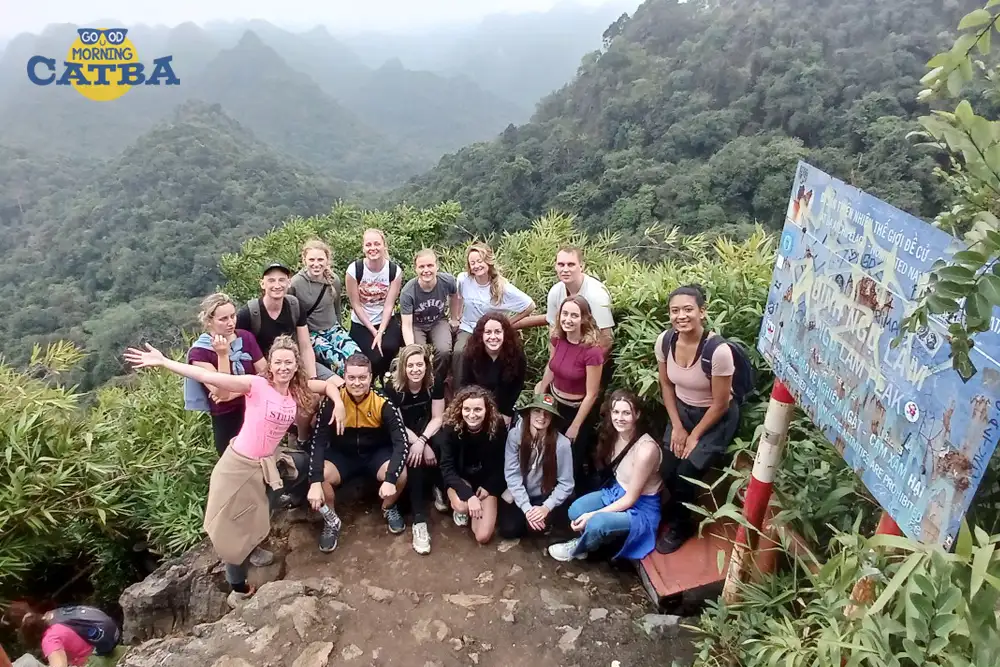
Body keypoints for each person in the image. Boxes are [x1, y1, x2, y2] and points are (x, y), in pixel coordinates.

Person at [124, 336, 345, 606]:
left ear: (296, 365)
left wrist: (339, 402)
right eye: (278, 362)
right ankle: (239, 589)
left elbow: (329, 385)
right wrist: (164, 362)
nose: (283, 367)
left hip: (268, 463)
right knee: (233, 530)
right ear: (270, 365)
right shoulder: (256, 384)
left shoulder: (297, 388)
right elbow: (208, 376)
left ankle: (283, 521)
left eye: (289, 362)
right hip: (239, 466)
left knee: (298, 471)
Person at [654, 284, 741, 554]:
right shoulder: (665, 341)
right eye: (675, 311)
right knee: (667, 467)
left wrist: (694, 436)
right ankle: (675, 508)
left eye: (688, 309)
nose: (681, 316)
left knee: (686, 474)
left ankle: (681, 525)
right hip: (682, 410)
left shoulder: (718, 351)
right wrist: (677, 427)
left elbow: (721, 403)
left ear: (702, 312)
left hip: (714, 417)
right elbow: (666, 385)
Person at [305, 353, 410, 553]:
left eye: (362, 377)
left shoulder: (383, 401)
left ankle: (388, 507)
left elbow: (401, 442)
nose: (357, 383)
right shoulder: (333, 401)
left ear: (371, 377)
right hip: (342, 455)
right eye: (351, 377)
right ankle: (331, 519)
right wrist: (315, 481)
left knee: (400, 473)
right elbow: (318, 442)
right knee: (322, 475)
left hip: (376, 453)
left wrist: (390, 479)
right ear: (344, 376)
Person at [547, 390, 663, 562]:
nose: (619, 418)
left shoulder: (646, 450)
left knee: (596, 523)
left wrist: (592, 515)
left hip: (640, 505)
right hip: (617, 491)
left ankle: (580, 547)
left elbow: (631, 499)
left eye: (626, 413)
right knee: (575, 511)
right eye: (616, 412)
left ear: (637, 415)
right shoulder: (615, 434)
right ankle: (601, 536)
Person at [534, 295, 606, 491]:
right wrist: (540, 398)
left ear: (584, 319)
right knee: (549, 451)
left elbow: (592, 394)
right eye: (565, 314)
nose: (568, 319)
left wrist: (575, 426)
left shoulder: (592, 352)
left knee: (570, 459)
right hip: (555, 404)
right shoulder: (557, 338)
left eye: (574, 315)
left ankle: (569, 497)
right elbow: (551, 368)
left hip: (577, 410)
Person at [184, 292, 266, 456]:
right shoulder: (199, 353)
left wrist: (236, 393)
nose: (231, 323)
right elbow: (222, 392)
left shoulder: (246, 337)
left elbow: (266, 374)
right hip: (227, 419)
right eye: (223, 319)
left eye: (233, 316)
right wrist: (222, 355)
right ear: (209, 321)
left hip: (255, 410)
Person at [383, 344, 447, 555]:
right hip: (404, 433)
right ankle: (420, 521)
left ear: (426, 365)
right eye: (410, 365)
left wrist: (423, 441)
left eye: (420, 364)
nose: (415, 369)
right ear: (403, 367)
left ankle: (440, 487)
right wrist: (418, 444)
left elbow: (438, 417)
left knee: (442, 442)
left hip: (427, 429)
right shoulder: (393, 387)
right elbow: (397, 424)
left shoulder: (434, 382)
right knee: (413, 458)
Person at [451, 242, 535, 387]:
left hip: (492, 331)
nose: (476, 266)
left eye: (480, 261)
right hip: (468, 328)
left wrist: (507, 324)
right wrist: (456, 317)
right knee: (460, 352)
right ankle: (460, 392)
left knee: (501, 356)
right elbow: (457, 297)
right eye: (472, 263)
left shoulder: (502, 287)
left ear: (488, 261)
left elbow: (530, 305)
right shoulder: (464, 279)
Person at [435, 385, 509, 544]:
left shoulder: (497, 425)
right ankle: (462, 507)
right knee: (462, 506)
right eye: (467, 409)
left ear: (486, 410)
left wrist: (489, 486)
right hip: (460, 477)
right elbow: (447, 468)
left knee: (482, 536)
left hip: (485, 481)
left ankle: (475, 508)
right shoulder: (450, 427)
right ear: (460, 409)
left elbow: (502, 462)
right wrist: (469, 495)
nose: (472, 414)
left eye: (478, 409)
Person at [499, 393, 575, 539]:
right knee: (508, 530)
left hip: (544, 494)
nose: (542, 417)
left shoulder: (562, 444)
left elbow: (566, 483)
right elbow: (512, 474)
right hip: (519, 491)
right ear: (529, 413)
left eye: (547, 414)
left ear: (552, 418)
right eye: (537, 411)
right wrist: (527, 508)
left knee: (536, 529)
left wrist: (546, 507)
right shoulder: (515, 435)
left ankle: (546, 520)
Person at [287, 238, 362, 377]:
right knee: (341, 363)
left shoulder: (333, 280)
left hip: (333, 329)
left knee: (358, 359)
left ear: (327, 260)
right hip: (311, 333)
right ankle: (345, 387)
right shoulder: (295, 284)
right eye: (312, 260)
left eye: (320, 260)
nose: (316, 264)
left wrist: (340, 329)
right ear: (304, 260)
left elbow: (336, 308)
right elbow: (291, 316)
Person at [235, 262, 322, 380]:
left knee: (334, 384)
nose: (277, 285)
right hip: (261, 373)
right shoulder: (249, 313)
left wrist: (311, 377)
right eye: (271, 281)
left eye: (281, 280)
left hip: (292, 366)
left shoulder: (294, 306)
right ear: (262, 284)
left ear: (289, 283)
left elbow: (305, 345)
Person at [521, 245, 615, 353]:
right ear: (555, 267)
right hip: (568, 347)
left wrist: (588, 362)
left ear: (581, 266)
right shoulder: (555, 291)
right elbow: (554, 331)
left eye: (571, 265)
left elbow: (606, 340)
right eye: (561, 264)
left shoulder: (596, 294)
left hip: (592, 351)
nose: (565, 270)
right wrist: (554, 359)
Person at [344, 229, 404, 380]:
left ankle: (386, 380)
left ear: (384, 246)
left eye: (377, 244)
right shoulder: (354, 270)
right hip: (362, 322)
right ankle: (369, 383)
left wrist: (381, 331)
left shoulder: (394, 271)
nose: (373, 248)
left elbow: (389, 305)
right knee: (370, 358)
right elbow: (356, 305)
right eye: (368, 245)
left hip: (385, 320)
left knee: (390, 347)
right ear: (363, 248)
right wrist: (373, 331)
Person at [3, 602, 125, 667]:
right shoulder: (53, 615)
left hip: (96, 661)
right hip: (108, 649)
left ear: (19, 631)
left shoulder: (50, 640)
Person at [400, 248, 458, 383]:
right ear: (415, 269)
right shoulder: (408, 292)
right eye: (421, 267)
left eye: (430, 265)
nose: (426, 270)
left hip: (438, 321)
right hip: (416, 325)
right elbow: (406, 325)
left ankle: (438, 380)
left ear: (437, 266)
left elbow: (454, 296)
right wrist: (412, 348)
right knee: (420, 354)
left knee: (444, 351)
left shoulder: (447, 281)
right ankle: (424, 381)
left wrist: (454, 318)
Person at [460, 314, 527, 425]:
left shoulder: (517, 355)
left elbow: (517, 386)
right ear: (481, 335)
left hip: (504, 406)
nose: (493, 337)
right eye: (488, 332)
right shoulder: (471, 353)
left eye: (497, 332)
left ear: (505, 333)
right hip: (477, 406)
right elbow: (466, 384)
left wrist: (506, 412)